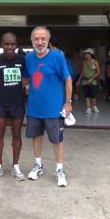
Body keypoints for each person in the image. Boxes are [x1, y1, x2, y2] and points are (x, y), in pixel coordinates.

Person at [23, 26, 72, 187]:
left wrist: (68, 102)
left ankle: (59, 169)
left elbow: (68, 79)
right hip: (34, 108)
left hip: (54, 109)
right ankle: (38, 165)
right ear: (32, 41)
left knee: (57, 140)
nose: (40, 42)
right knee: (36, 137)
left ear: (48, 40)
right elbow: (26, 80)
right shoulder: (29, 58)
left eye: (43, 38)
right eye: (36, 39)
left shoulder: (57, 56)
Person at [0, 32, 26, 181]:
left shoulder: (22, 59)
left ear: (16, 45)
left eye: (12, 44)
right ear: (1, 44)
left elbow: (28, 77)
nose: (10, 47)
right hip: (0, 104)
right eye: (6, 44)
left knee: (17, 135)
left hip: (17, 104)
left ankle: (16, 166)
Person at [76, 48, 100, 113]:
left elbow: (98, 72)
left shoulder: (95, 62)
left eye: (86, 53)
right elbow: (82, 72)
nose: (85, 55)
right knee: (86, 95)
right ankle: (88, 108)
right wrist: (79, 80)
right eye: (85, 53)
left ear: (90, 54)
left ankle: (94, 107)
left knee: (93, 95)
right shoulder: (84, 62)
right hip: (84, 81)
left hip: (93, 81)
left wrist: (91, 78)